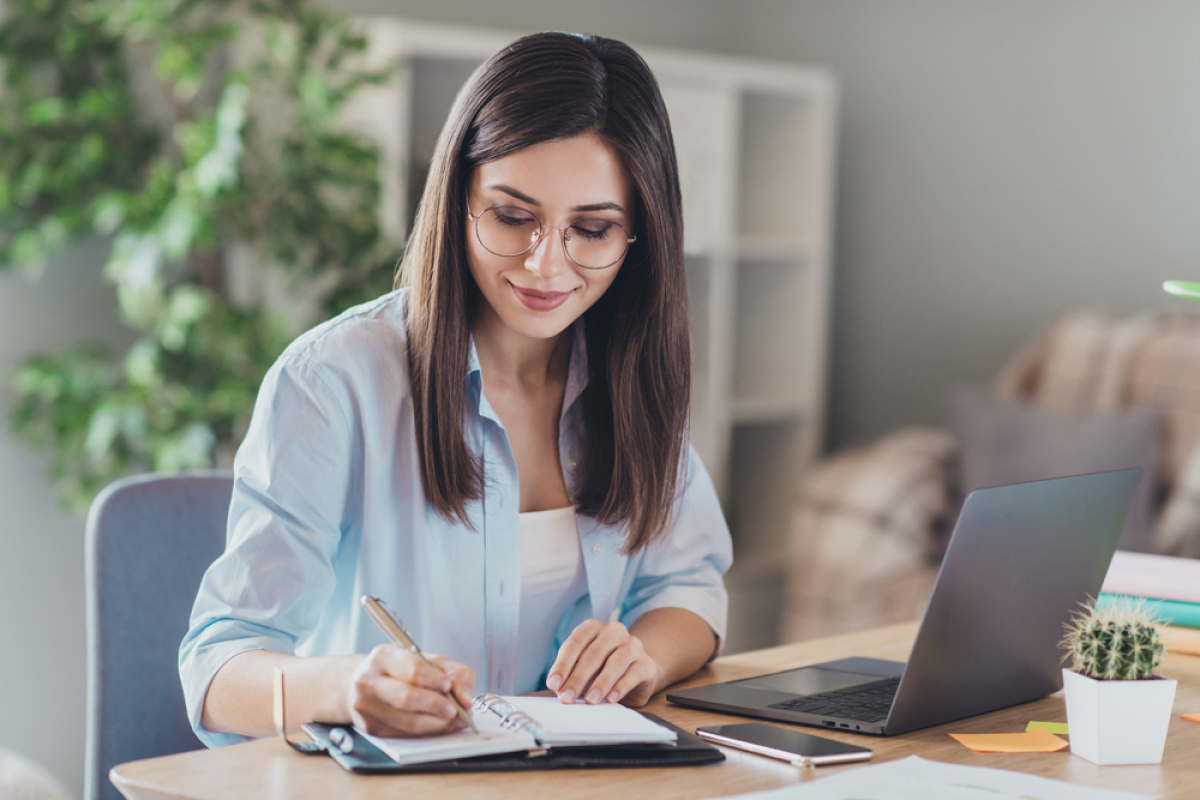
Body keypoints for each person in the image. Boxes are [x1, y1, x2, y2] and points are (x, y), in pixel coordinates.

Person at [179, 30, 732, 747]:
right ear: (457, 200)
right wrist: (349, 689)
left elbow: (689, 587)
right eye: (512, 217)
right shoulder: (332, 382)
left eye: (591, 229)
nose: (546, 266)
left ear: (638, 237)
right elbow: (215, 667)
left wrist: (644, 653)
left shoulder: (631, 375)